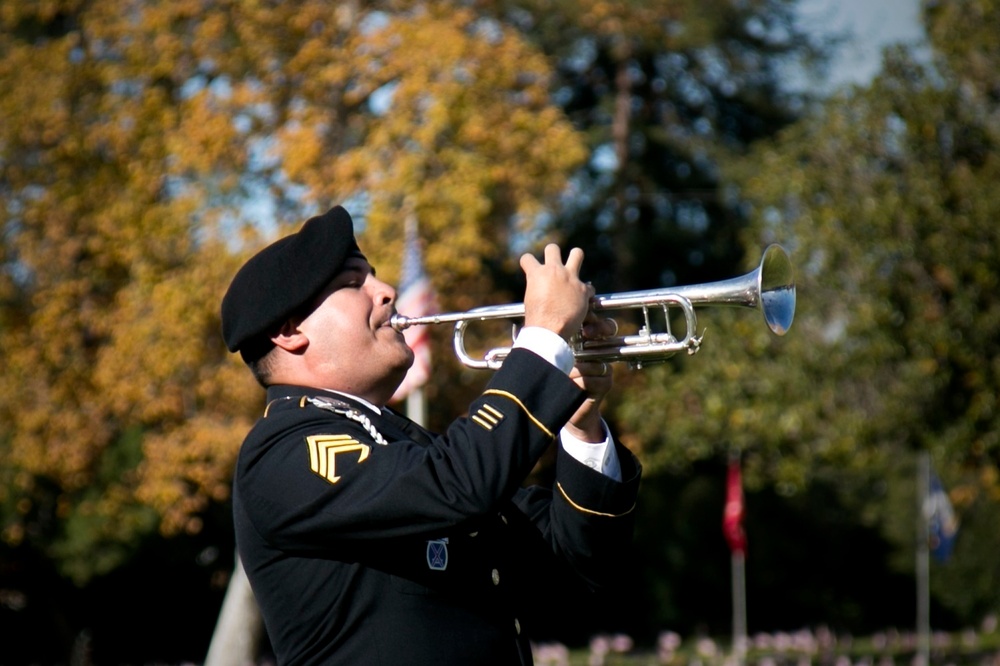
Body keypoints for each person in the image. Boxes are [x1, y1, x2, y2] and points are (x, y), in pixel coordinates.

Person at [220, 205, 642, 666]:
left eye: (374, 276)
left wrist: (581, 425)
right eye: (351, 283)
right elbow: (458, 485)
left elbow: (581, 564)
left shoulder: (406, 447)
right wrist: (543, 341)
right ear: (289, 332)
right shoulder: (282, 450)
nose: (386, 291)